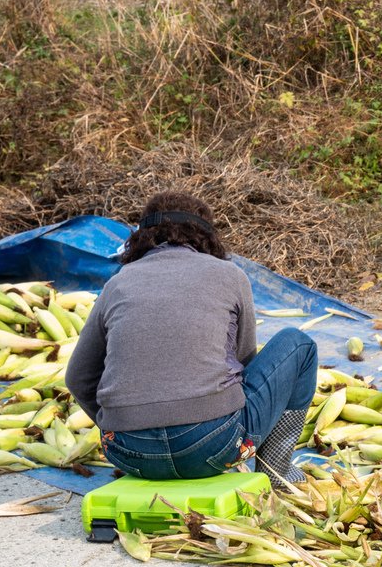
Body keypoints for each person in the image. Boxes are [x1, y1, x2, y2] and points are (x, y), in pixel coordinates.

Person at [65, 192, 318, 487]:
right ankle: (277, 472)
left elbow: (78, 377)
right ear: (207, 237)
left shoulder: (118, 282)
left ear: (142, 237)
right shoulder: (229, 275)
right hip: (216, 449)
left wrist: (124, 427)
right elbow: (244, 363)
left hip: (128, 455)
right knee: (298, 344)